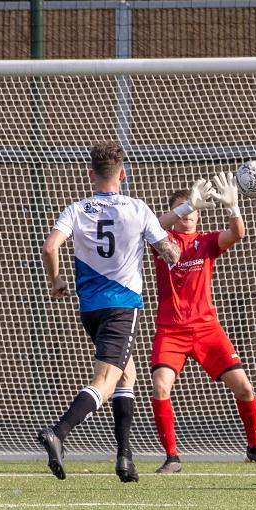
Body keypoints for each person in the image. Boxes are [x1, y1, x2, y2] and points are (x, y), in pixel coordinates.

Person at [37, 141, 181, 482]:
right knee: (104, 381)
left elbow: (50, 246)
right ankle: (59, 431)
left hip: (90, 309)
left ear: (91, 174)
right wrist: (175, 235)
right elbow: (171, 254)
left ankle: (124, 457)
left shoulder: (77, 209)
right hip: (122, 307)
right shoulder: (137, 208)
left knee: (126, 374)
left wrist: (56, 280)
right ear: (123, 174)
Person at [148, 172, 256, 473]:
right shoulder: (162, 241)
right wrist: (186, 205)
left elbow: (237, 234)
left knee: (244, 388)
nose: (188, 215)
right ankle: (172, 457)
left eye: (192, 209)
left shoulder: (206, 242)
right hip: (171, 331)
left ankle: (254, 447)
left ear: (200, 215)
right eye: (182, 209)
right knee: (160, 386)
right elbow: (153, 226)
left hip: (207, 329)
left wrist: (233, 207)